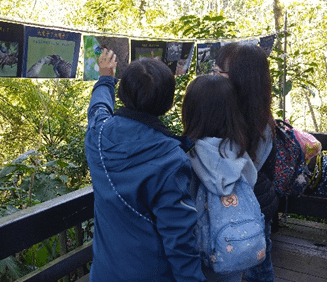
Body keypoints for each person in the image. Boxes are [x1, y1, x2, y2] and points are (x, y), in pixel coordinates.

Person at [85, 49, 205, 282]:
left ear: (121, 94)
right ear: (168, 104)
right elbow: (179, 238)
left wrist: (105, 78)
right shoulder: (171, 158)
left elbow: (98, 109)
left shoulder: (98, 137)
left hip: (105, 273)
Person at [182, 75, 261, 281]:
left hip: (197, 255)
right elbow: (251, 184)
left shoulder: (186, 155)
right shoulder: (238, 152)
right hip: (235, 250)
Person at [215, 43, 279, 282]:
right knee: (260, 263)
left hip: (250, 207)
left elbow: (229, 174)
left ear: (240, 79)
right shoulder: (258, 114)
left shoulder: (253, 123)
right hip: (256, 203)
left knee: (258, 266)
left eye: (219, 72)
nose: (214, 77)